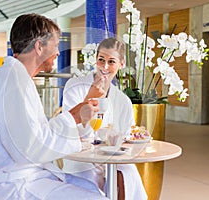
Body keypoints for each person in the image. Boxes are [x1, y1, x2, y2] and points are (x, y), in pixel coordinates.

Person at [0, 13, 109, 200]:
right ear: (39, 46)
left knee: (92, 186)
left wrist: (74, 115)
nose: (58, 52)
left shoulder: (13, 76)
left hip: (19, 175)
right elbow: (31, 148)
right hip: (13, 185)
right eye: (55, 45)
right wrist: (73, 117)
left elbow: (31, 136)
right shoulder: (14, 84)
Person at [62, 38, 148, 200]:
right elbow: (69, 129)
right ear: (96, 59)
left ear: (121, 64)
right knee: (89, 182)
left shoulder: (123, 101)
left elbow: (126, 137)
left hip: (112, 158)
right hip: (81, 158)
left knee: (129, 174)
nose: (105, 67)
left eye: (111, 62)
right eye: (101, 60)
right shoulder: (74, 86)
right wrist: (89, 99)